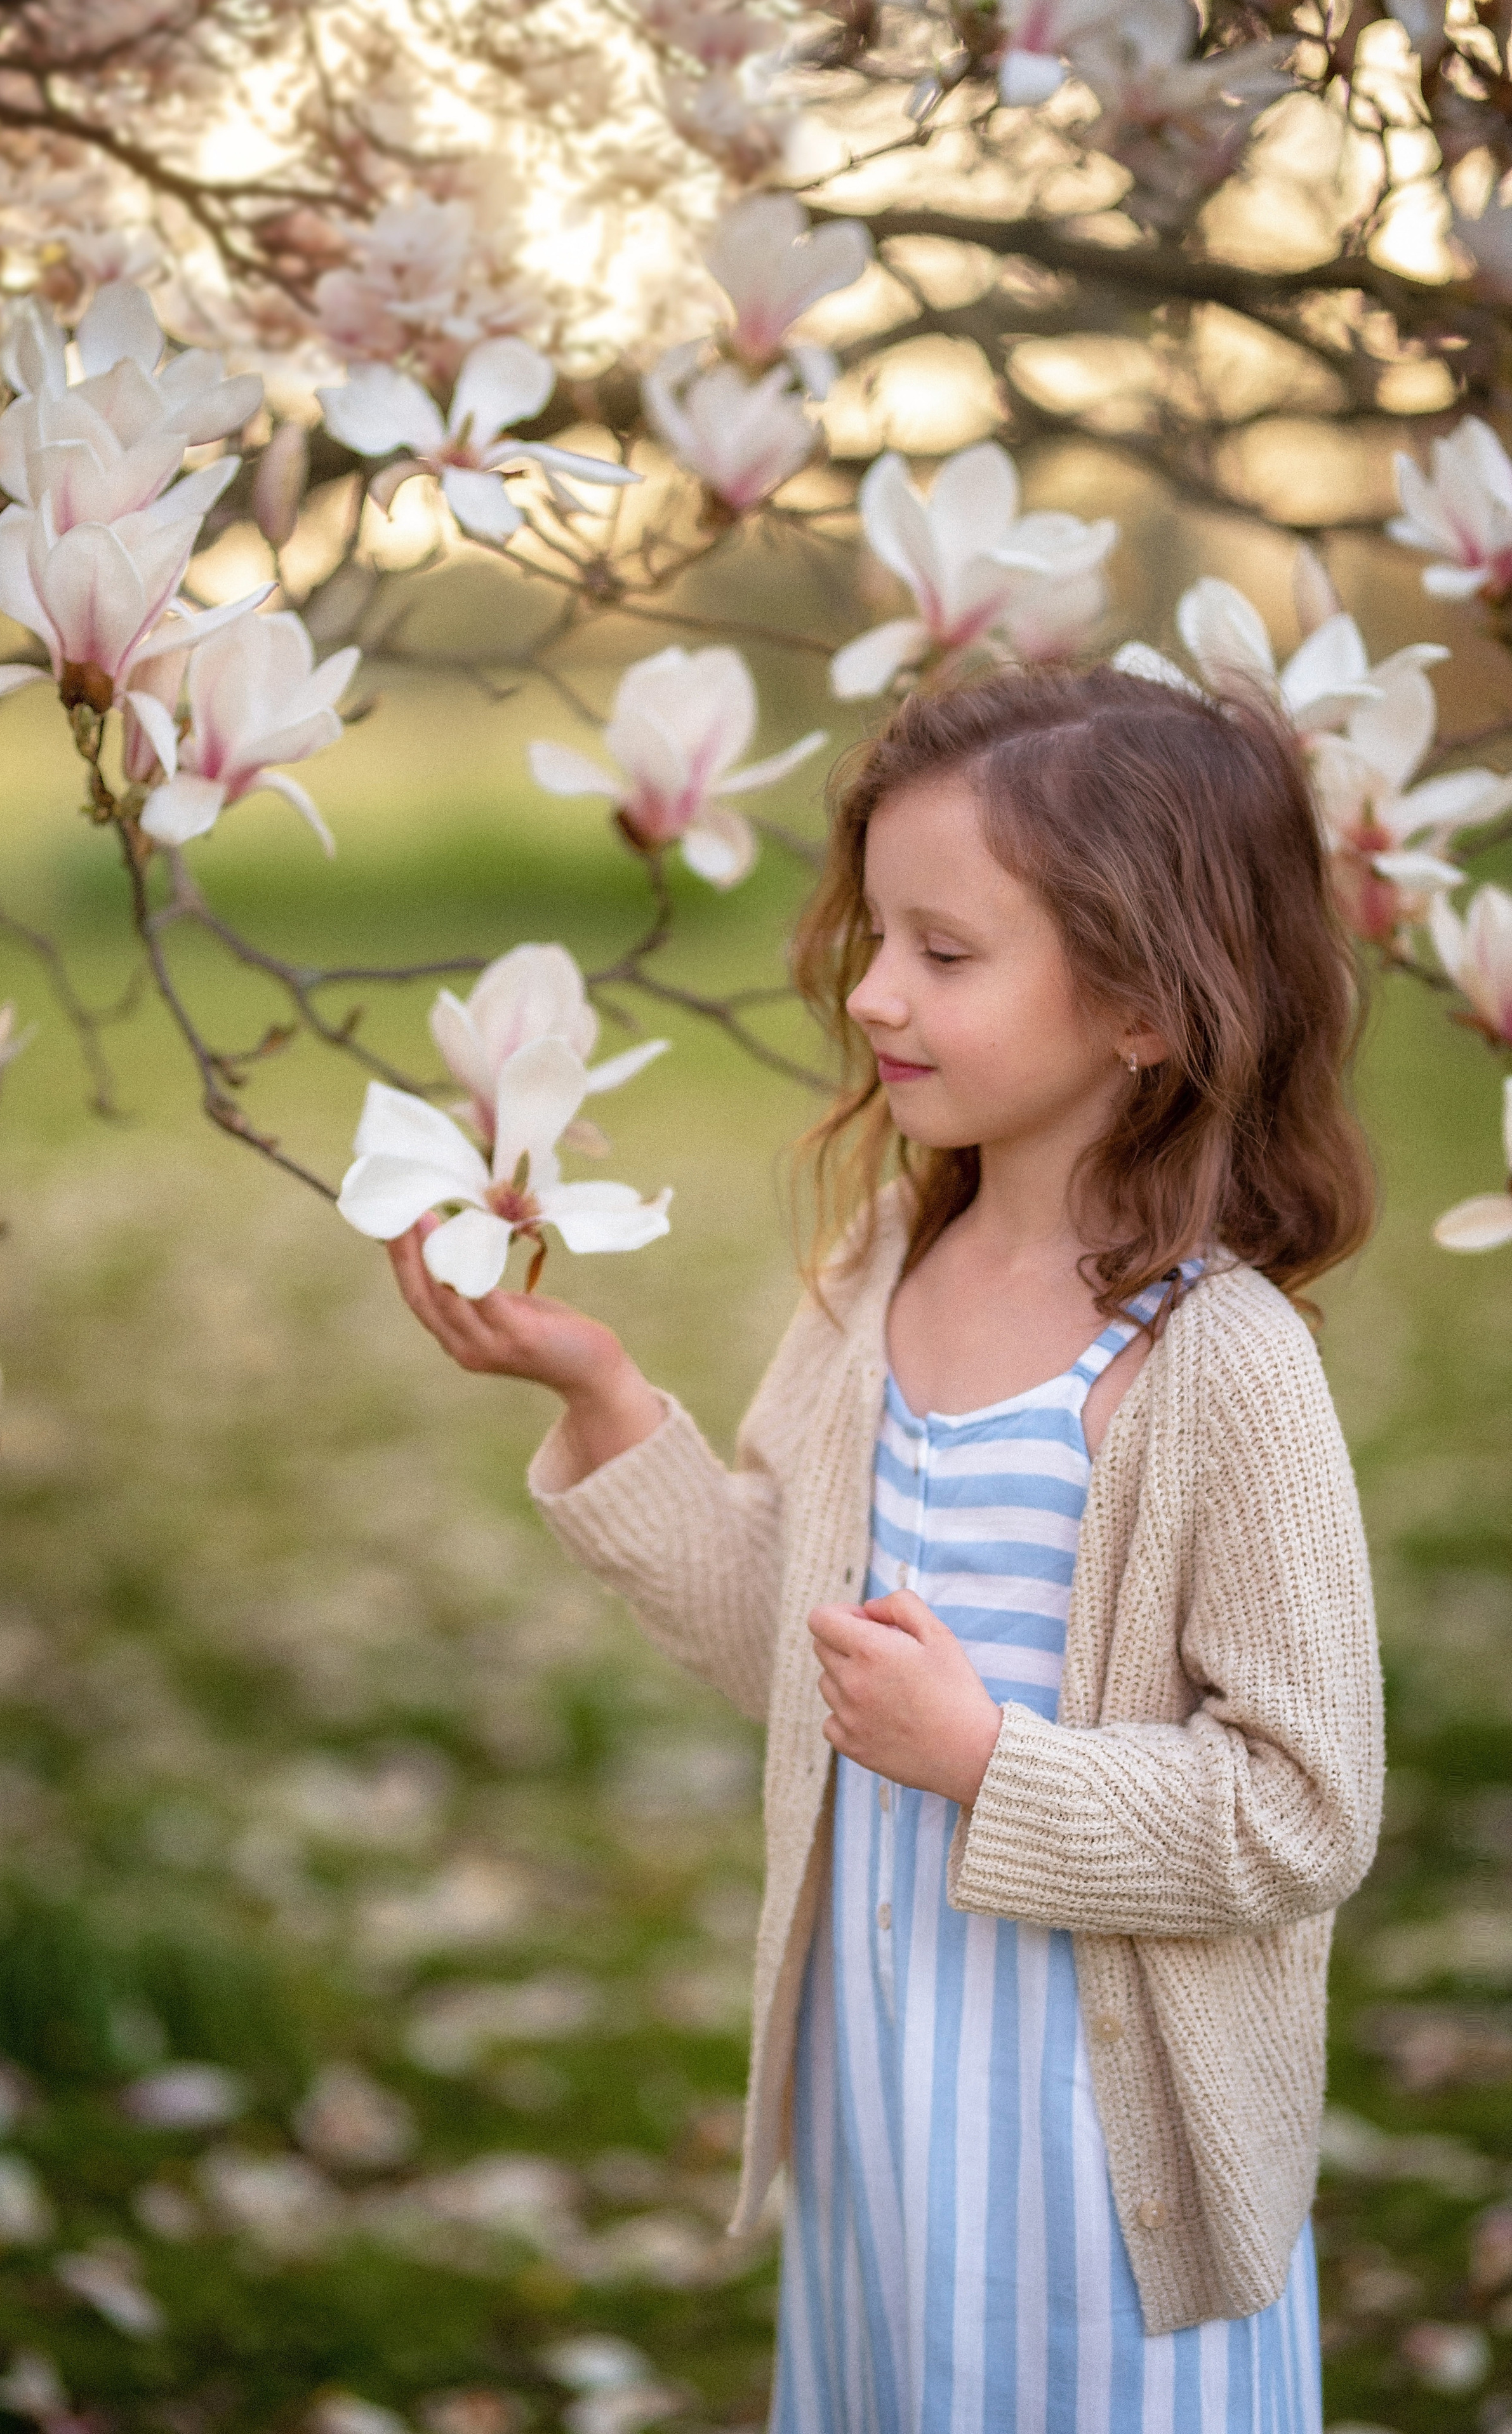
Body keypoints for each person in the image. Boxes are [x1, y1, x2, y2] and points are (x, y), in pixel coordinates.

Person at [382, 663, 1386, 2432]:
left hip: (1099, 2172)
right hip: (883, 2108)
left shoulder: (1220, 1362)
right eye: (873, 937)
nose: (871, 992)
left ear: (1145, 1001)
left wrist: (987, 1761)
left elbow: (1306, 1803)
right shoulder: (879, 1279)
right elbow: (792, 1638)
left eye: (943, 950)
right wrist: (609, 1397)